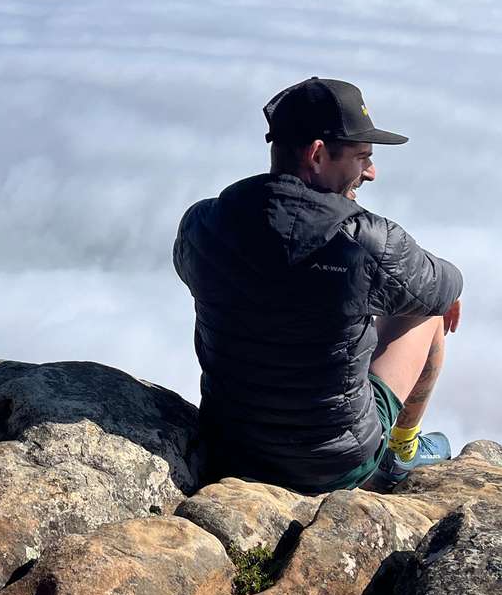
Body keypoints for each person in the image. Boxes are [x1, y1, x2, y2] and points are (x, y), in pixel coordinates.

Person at [173, 77, 462, 493]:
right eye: (363, 157)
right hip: (333, 465)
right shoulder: (366, 241)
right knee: (427, 313)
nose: (372, 171)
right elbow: (444, 284)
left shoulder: (203, 223)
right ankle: (400, 452)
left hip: (229, 447)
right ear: (318, 155)